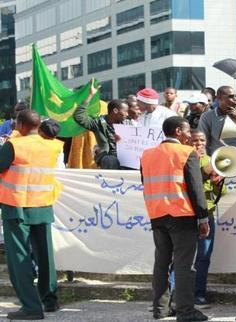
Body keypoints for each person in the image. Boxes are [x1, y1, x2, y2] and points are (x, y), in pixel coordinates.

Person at [141, 116, 209, 321]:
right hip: (182, 215)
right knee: (184, 265)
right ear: (178, 131)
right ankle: (186, 311)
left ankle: (160, 309)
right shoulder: (187, 153)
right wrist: (203, 218)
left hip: (157, 215)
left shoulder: (147, 155)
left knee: (161, 263)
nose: (190, 135)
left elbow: (146, 183)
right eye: (188, 131)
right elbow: (196, 189)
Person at [0, 110, 63, 320]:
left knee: (20, 258)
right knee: (45, 256)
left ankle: (30, 307)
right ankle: (50, 300)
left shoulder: (14, 144)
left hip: (17, 206)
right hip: (43, 205)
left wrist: (13, 137)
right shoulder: (53, 146)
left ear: (20, 124)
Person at [191, 129, 226, 308]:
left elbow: (222, 192)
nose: (199, 144)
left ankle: (199, 294)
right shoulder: (184, 159)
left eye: (202, 140)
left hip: (207, 214)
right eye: (195, 140)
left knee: (203, 257)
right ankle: (174, 295)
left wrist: (217, 183)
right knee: (183, 257)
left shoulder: (213, 160)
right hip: (188, 215)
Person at [73, 81, 128, 169]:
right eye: (125, 111)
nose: (127, 114)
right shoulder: (98, 123)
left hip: (125, 157)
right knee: (110, 160)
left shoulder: (127, 124)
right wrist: (90, 95)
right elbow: (78, 116)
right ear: (115, 111)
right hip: (107, 158)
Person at [198, 86, 236, 156]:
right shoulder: (207, 116)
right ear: (219, 98)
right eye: (231, 96)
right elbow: (203, 141)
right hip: (217, 158)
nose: (235, 99)